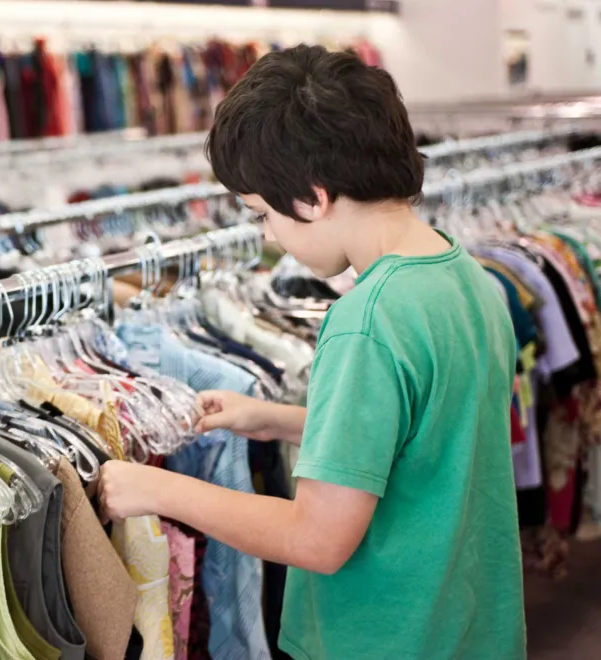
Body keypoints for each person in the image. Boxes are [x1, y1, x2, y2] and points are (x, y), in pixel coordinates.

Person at [96, 45, 526, 660]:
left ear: (314, 196)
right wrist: (276, 419)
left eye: (263, 213)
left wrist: (156, 490)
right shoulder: (463, 277)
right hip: (468, 625)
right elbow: (426, 434)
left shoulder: (367, 323)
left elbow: (319, 539)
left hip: (379, 638)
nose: (268, 234)